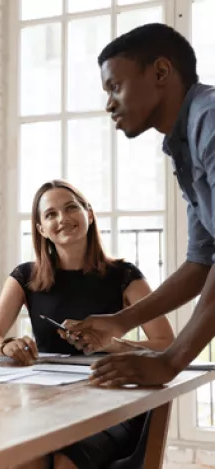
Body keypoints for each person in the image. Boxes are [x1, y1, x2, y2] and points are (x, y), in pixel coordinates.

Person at [0, 180, 174, 469]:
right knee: (25, 459)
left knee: (65, 463)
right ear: (41, 229)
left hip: (111, 398)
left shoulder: (124, 275)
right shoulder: (25, 276)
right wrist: (8, 346)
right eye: (50, 214)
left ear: (89, 214)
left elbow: (166, 343)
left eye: (71, 208)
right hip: (46, 402)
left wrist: (114, 345)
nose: (63, 219)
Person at [64, 23, 215, 387]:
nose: (108, 103)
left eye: (115, 86)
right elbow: (201, 261)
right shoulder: (184, 144)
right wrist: (121, 321)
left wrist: (170, 362)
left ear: (161, 72)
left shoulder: (210, 120)